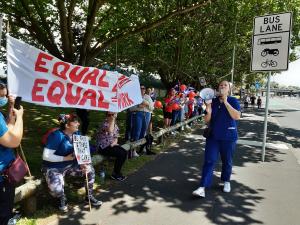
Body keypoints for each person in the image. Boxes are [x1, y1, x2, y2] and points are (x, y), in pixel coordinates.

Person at [42, 114, 102, 212]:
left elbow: (82, 151)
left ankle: (89, 196)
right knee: (56, 190)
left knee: (89, 170)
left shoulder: (77, 133)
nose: (78, 123)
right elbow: (46, 156)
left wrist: (83, 163)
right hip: (54, 167)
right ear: (67, 126)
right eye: (75, 122)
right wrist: (64, 158)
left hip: (70, 165)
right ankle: (62, 198)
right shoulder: (57, 136)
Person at [193, 80, 241, 198]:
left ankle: (226, 181)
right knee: (209, 160)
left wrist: (225, 102)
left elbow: (237, 116)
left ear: (229, 89)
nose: (223, 86)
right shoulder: (212, 101)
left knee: (227, 160)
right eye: (221, 85)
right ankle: (202, 187)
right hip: (213, 136)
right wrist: (208, 106)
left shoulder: (233, 100)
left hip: (228, 137)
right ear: (218, 88)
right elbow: (207, 120)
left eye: (225, 85)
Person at [0, 82, 24, 225]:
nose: (4, 98)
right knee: (3, 213)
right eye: (2, 95)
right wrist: (20, 117)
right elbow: (13, 140)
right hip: (2, 178)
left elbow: (6, 130)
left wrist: (11, 109)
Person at [96, 112, 127, 181]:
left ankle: (116, 173)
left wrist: (114, 143)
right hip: (102, 147)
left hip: (110, 145)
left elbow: (116, 137)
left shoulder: (115, 125)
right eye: (109, 115)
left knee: (124, 152)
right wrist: (112, 120)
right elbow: (110, 130)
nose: (110, 116)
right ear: (106, 116)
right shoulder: (104, 123)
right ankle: (116, 174)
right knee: (121, 153)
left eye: (113, 114)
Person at [130, 85, 154, 156]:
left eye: (143, 88)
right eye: (140, 88)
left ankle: (142, 147)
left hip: (147, 114)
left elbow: (152, 108)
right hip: (138, 114)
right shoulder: (135, 97)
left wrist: (147, 104)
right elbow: (130, 108)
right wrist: (138, 107)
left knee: (143, 131)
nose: (142, 89)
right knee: (137, 131)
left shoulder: (148, 97)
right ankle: (133, 150)